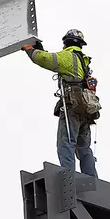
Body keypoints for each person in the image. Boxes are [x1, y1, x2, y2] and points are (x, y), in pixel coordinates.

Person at [22, 28, 98, 178]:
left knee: (66, 144)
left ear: (66, 42)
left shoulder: (68, 56)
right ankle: (92, 181)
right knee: (84, 149)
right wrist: (41, 50)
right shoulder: (83, 60)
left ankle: (68, 179)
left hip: (72, 108)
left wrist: (30, 50)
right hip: (86, 110)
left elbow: (44, 59)